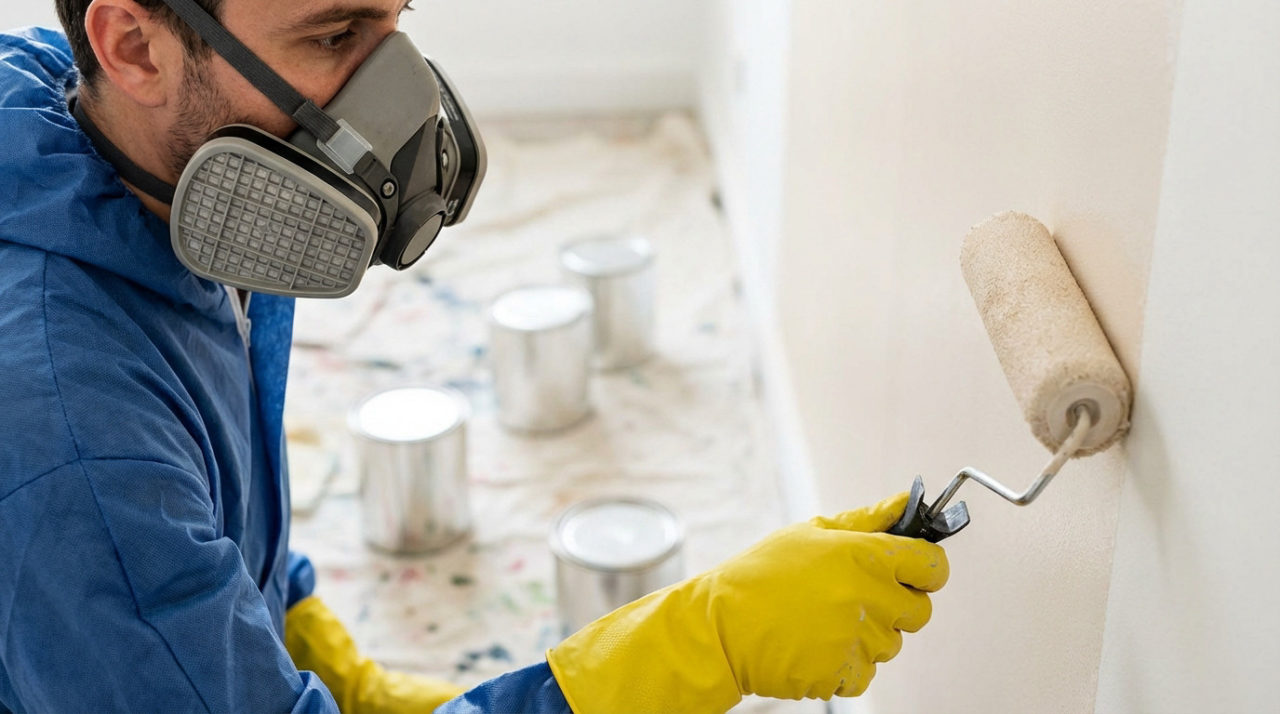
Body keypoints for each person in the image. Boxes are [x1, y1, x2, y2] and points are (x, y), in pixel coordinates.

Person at [0, 1, 950, 712]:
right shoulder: (80, 455)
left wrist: (311, 649)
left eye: (393, 21)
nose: (394, 105)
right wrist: (700, 646)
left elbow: (210, 509)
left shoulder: (131, 148)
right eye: (334, 38)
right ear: (133, 46)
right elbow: (128, 537)